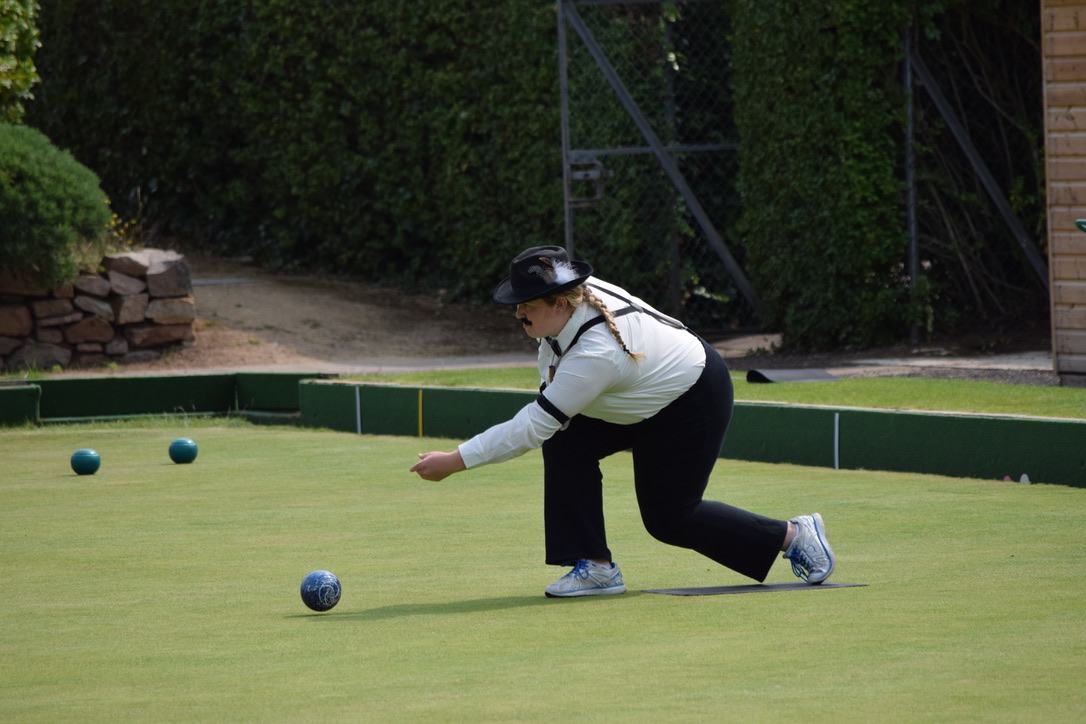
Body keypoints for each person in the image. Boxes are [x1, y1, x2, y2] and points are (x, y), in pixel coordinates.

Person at [410, 245, 834, 597]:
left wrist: (456, 460)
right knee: (564, 438)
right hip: (631, 395)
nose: (518, 314)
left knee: (670, 519)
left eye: (527, 305)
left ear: (559, 303)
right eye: (517, 305)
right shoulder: (568, 308)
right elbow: (551, 382)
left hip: (690, 399)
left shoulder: (596, 351)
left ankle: (793, 535)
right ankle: (595, 568)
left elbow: (532, 426)